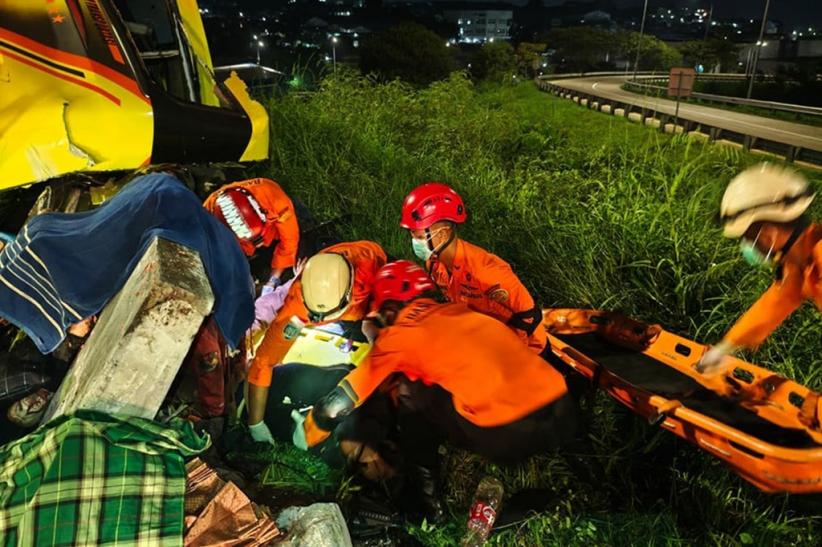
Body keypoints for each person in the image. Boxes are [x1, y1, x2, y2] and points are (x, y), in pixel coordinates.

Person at [291, 260, 579, 519]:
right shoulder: (457, 311)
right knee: (427, 383)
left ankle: (426, 502)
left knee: (410, 393)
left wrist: (311, 429)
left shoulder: (399, 335)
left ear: (388, 310)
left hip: (509, 433)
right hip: (562, 408)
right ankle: (576, 467)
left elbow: (339, 402)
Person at [246, 241, 387, 444]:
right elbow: (263, 362)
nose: (318, 322)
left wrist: (371, 326)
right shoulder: (297, 304)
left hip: (363, 294)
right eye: (314, 317)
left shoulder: (371, 267)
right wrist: (255, 423)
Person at [698, 163, 820, 373]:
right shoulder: (800, 264)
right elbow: (775, 303)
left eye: (749, 238)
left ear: (768, 232)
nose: (748, 246)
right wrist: (727, 346)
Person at [399, 182, 547, 353]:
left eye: (417, 236)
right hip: (481, 337)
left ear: (443, 234)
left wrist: (509, 355)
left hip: (522, 348)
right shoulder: (434, 265)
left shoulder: (485, 270)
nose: (414, 242)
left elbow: (528, 315)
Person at [204, 178, 300, 293]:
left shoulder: (277, 202)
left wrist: (273, 280)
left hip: (271, 230)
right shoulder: (208, 210)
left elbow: (289, 243)